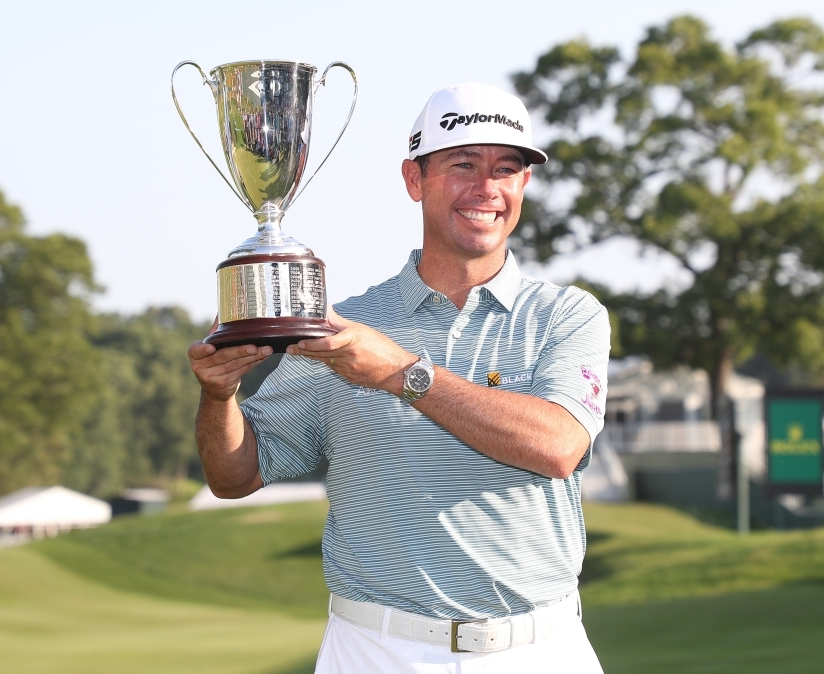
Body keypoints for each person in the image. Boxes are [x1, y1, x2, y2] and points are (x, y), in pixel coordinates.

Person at [189, 83, 610, 673]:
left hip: (538, 650)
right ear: (414, 180)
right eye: (463, 164)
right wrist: (218, 395)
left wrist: (401, 374)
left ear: (524, 186)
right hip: (377, 650)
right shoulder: (342, 328)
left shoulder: (568, 315)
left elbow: (558, 446)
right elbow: (235, 476)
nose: (486, 188)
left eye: (506, 168)